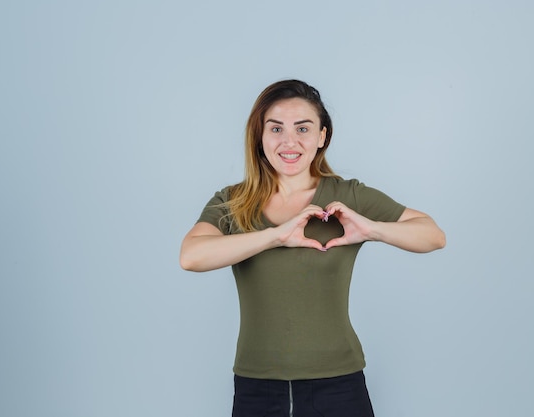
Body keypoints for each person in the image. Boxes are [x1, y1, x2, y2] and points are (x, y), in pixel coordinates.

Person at [179, 79, 445, 417]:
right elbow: (191, 255)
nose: (289, 141)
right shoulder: (233, 201)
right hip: (256, 386)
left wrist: (373, 229)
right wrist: (275, 236)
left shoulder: (347, 196)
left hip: (339, 385)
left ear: (322, 136)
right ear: (260, 137)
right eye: (276, 129)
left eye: (302, 128)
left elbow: (433, 235)